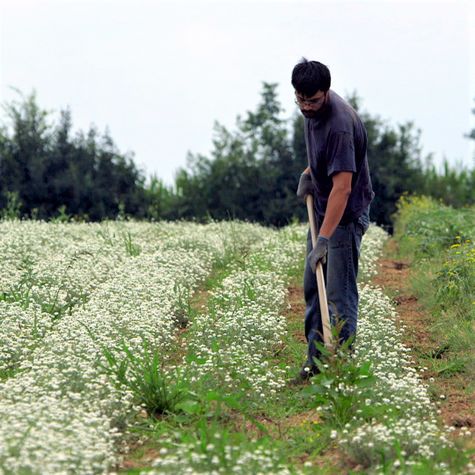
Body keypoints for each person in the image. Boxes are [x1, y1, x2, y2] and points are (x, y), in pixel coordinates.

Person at [291, 58, 374, 383]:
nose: (306, 106)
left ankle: (340, 368)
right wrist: (311, 174)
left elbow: (343, 187)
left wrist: (323, 239)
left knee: (337, 295)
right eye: (300, 99)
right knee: (314, 286)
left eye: (312, 100)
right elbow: (324, 160)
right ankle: (316, 363)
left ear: (326, 92)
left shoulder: (339, 124)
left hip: (345, 214)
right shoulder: (311, 111)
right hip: (325, 210)